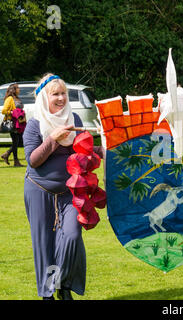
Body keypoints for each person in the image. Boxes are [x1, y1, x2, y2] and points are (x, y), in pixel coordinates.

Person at [23, 73, 103, 300]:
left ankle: (64, 283)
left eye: (63, 93)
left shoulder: (74, 120)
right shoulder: (34, 124)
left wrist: (107, 151)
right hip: (40, 192)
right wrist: (54, 139)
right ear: (43, 98)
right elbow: (33, 160)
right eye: (55, 94)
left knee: (71, 236)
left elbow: (83, 148)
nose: (60, 98)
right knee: (44, 244)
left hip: (70, 193)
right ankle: (50, 292)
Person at [1, 83, 24, 167]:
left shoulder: (17, 98)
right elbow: (4, 111)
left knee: (18, 141)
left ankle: (8, 155)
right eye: (17, 88)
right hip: (13, 122)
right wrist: (12, 112)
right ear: (13, 90)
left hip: (19, 122)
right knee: (16, 141)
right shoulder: (10, 99)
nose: (19, 89)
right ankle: (15, 160)